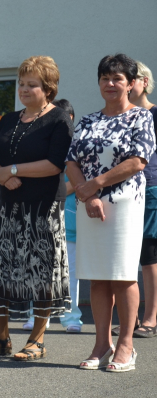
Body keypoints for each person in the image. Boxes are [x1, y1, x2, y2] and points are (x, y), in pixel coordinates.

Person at [0, 56, 73, 361]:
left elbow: (55, 164)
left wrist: (13, 170)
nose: (24, 89)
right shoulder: (8, 119)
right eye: (21, 84)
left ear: (49, 88)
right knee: (1, 271)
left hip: (43, 209)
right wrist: (2, 174)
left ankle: (36, 340)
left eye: (32, 84)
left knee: (42, 273)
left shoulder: (59, 120)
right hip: (8, 208)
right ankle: (0, 338)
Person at [67, 54, 155, 372]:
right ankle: (102, 345)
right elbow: (71, 161)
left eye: (117, 78)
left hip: (125, 204)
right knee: (98, 278)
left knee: (122, 275)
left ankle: (126, 346)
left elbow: (138, 161)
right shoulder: (88, 120)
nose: (110, 83)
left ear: (131, 84)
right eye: (105, 77)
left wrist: (95, 185)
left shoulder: (141, 117)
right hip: (89, 206)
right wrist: (88, 194)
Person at [21, 99, 82, 333]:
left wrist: (52, 191)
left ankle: (71, 317)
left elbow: (78, 181)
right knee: (38, 269)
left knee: (70, 272)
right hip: (40, 216)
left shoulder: (78, 145)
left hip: (69, 219)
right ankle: (37, 316)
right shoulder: (38, 144)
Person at [128, 61, 157, 339]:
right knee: (128, 255)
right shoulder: (124, 116)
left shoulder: (155, 114)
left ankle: (151, 318)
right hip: (125, 191)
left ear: (144, 82)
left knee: (149, 257)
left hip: (151, 190)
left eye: (131, 78)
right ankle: (132, 319)